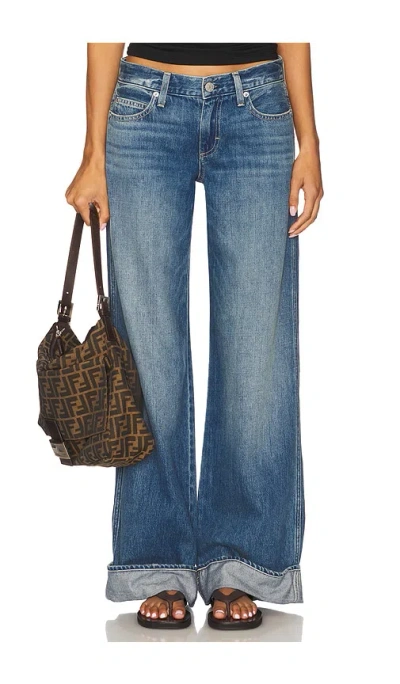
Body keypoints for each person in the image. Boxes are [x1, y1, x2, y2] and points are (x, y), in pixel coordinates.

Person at [65, 42, 323, 631]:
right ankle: (156, 561)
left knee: (256, 353)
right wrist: (93, 153)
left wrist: (309, 141)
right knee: (147, 353)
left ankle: (244, 559)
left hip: (258, 106)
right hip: (144, 105)